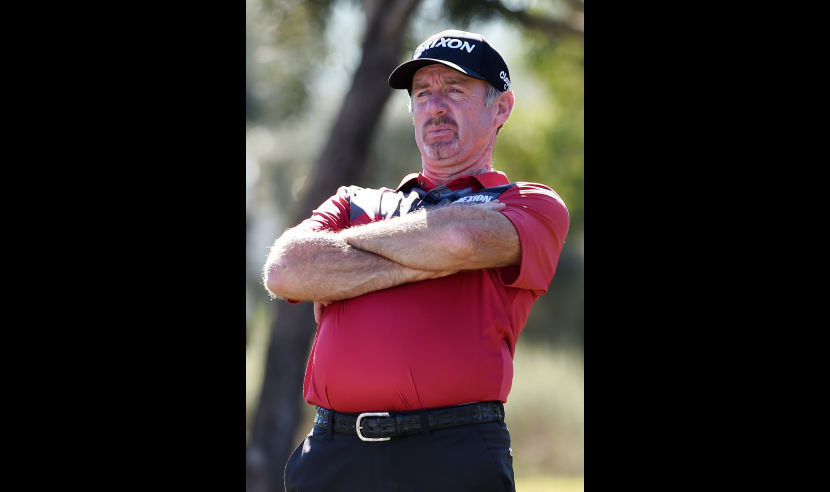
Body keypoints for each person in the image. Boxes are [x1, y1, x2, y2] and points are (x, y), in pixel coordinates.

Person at [263, 29, 570, 492]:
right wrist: (423, 255)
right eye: (423, 93)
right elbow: (285, 270)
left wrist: (345, 257)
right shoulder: (355, 201)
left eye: (455, 89)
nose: (435, 106)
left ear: (501, 108)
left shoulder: (527, 204)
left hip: (452, 453)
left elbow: (462, 240)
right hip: (333, 453)